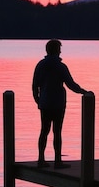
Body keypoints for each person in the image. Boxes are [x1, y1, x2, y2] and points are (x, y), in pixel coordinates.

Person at [32, 39, 88, 168]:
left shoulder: (40, 65)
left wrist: (37, 100)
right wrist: (83, 92)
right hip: (57, 103)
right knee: (57, 131)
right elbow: (70, 84)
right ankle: (57, 161)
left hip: (45, 102)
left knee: (44, 130)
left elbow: (35, 85)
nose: (61, 51)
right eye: (59, 49)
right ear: (57, 50)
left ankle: (41, 159)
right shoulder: (61, 67)